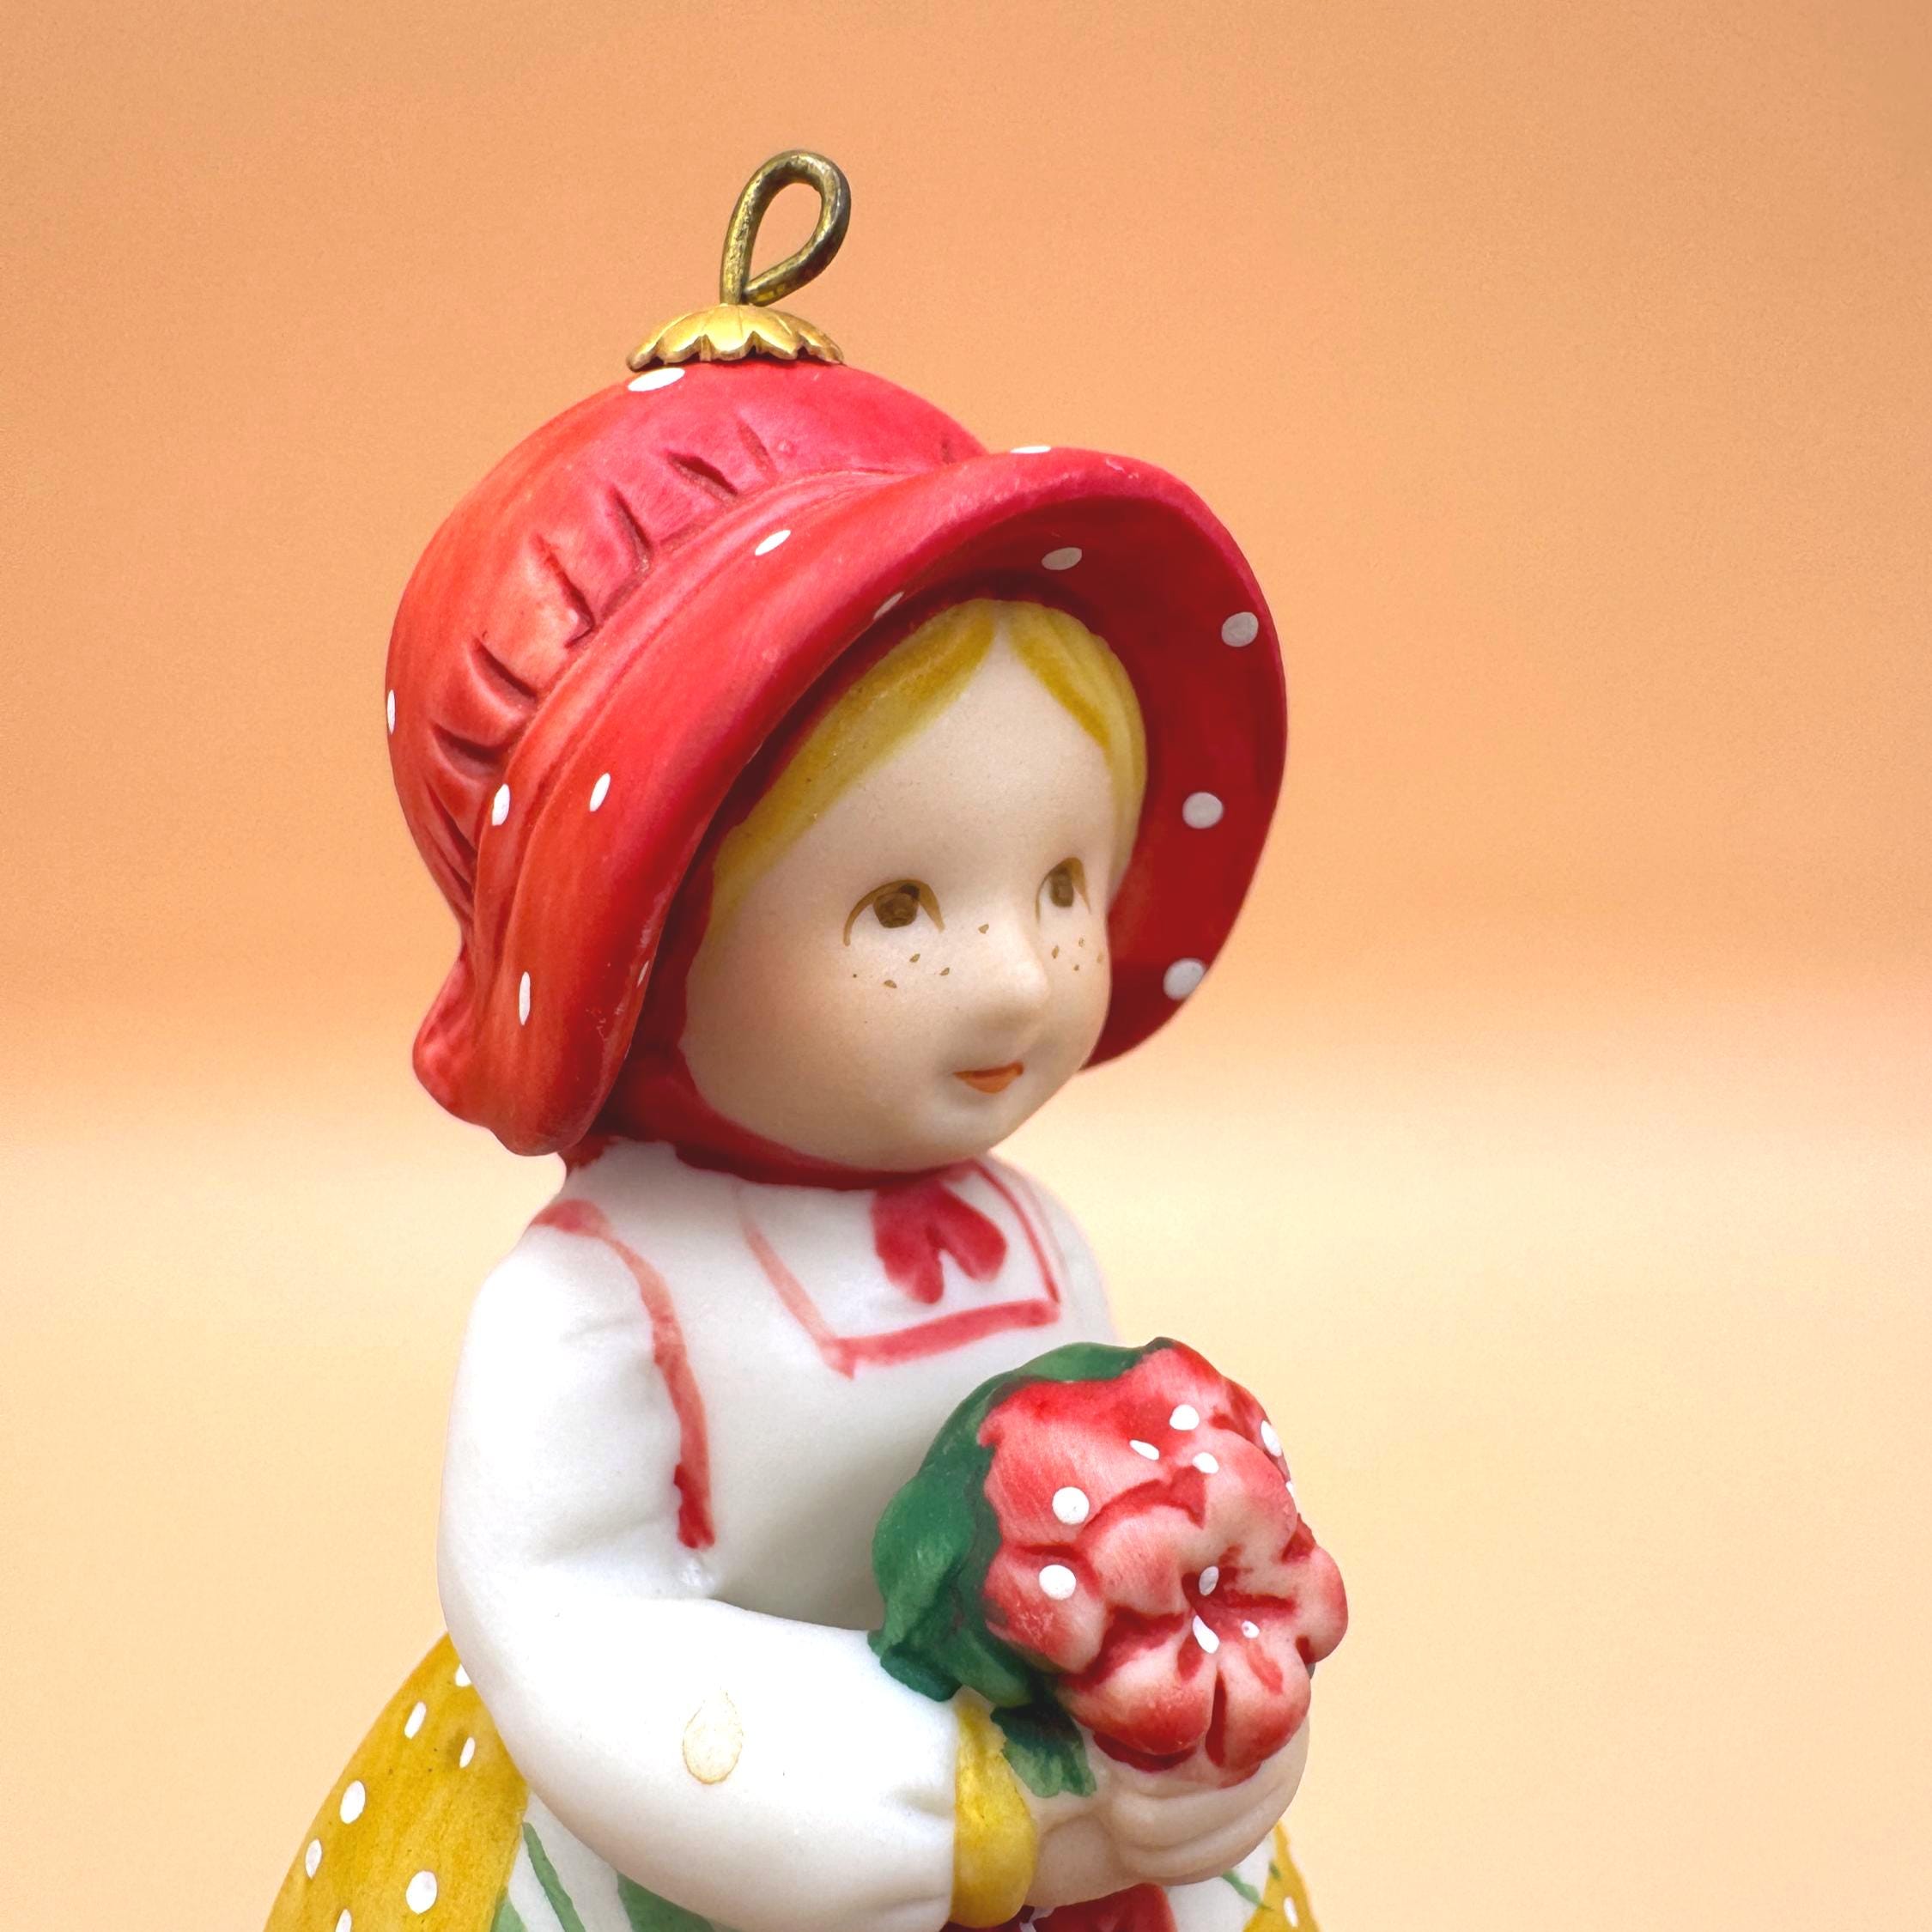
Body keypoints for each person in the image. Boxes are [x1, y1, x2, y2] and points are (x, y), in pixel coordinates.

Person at [266, 219, 1326, 1932]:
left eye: (1064, 885)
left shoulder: (1036, 1241)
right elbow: (572, 1638)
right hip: (726, 1847)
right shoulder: (598, 1307)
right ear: (641, 949)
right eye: (900, 906)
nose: (1015, 972)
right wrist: (975, 1809)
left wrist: (1197, 1732)